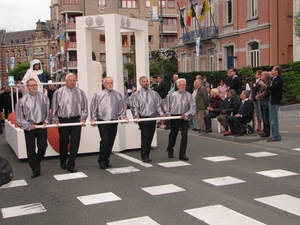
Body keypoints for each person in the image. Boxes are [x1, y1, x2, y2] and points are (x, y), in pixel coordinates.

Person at [52, 73, 88, 172]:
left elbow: (84, 108)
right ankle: (62, 160)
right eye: (70, 80)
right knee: (63, 142)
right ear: (66, 81)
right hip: (63, 120)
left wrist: (83, 118)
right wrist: (55, 119)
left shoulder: (81, 93)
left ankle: (71, 164)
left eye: (74, 80)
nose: (72, 82)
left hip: (76, 120)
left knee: (75, 142)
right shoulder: (58, 92)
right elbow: (54, 107)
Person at [90, 77, 128, 169]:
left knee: (111, 141)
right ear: (104, 84)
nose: (110, 84)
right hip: (102, 121)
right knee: (105, 140)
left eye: (111, 83)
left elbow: (122, 108)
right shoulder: (98, 95)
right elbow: (93, 108)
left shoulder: (118, 95)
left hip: (113, 121)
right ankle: (101, 160)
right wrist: (93, 118)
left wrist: (124, 117)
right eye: (108, 83)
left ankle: (106, 159)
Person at [15, 78, 49, 178]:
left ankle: (36, 162)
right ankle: (35, 169)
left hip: (41, 126)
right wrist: (28, 125)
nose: (34, 87)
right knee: (31, 149)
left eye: (35, 85)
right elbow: (19, 118)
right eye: (31, 85)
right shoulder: (22, 101)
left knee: (43, 146)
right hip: (29, 127)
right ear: (27, 87)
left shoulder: (44, 98)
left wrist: (45, 121)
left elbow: (47, 112)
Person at [130, 76, 164, 163]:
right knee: (145, 136)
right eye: (144, 81)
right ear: (140, 83)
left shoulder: (154, 94)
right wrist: (136, 116)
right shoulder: (136, 95)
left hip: (152, 118)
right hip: (143, 119)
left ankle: (147, 154)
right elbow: (134, 107)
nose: (146, 83)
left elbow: (158, 105)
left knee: (150, 136)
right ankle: (144, 155)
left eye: (147, 81)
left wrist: (162, 114)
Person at [164, 78, 196, 161]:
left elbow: (192, 108)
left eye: (184, 84)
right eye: (181, 85)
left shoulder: (189, 95)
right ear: (177, 86)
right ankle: (170, 149)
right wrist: (168, 114)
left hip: (184, 117)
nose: (182, 86)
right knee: (173, 134)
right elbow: (166, 106)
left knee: (184, 136)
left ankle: (182, 153)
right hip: (175, 117)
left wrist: (186, 115)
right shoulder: (171, 95)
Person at [260, 65, 283, 142]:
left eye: (273, 69)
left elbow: (272, 89)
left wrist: (264, 85)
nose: (271, 71)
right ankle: (274, 135)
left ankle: (276, 136)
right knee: (272, 119)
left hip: (274, 100)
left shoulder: (277, 79)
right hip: (272, 100)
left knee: (274, 119)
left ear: (276, 71)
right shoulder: (274, 79)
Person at [256, 71, 271, 138]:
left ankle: (267, 131)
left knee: (266, 117)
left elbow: (266, 92)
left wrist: (259, 96)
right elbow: (260, 91)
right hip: (262, 101)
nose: (261, 77)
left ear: (265, 76)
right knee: (263, 117)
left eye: (262, 75)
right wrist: (257, 95)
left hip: (265, 102)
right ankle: (265, 131)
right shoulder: (262, 83)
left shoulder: (268, 83)